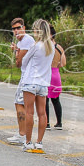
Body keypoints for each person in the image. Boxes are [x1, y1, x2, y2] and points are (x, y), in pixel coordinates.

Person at [18, 19, 53, 151]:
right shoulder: (51, 47)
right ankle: (39, 142)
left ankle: (28, 141)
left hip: (31, 81)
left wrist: (25, 72)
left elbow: (25, 61)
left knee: (29, 113)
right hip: (43, 83)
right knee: (42, 113)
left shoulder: (35, 45)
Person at [6, 18, 36, 145]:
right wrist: (17, 50)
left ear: (24, 27)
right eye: (14, 29)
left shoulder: (26, 40)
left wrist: (16, 52)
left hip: (27, 77)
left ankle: (22, 134)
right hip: (30, 75)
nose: (16, 31)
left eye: (18, 28)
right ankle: (23, 134)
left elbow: (18, 63)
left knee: (19, 104)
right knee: (25, 106)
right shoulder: (24, 41)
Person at [48, 24, 67, 129]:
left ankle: (46, 123)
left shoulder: (45, 47)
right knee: (56, 100)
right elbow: (63, 63)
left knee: (45, 99)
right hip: (56, 73)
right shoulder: (59, 48)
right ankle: (59, 122)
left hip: (47, 73)